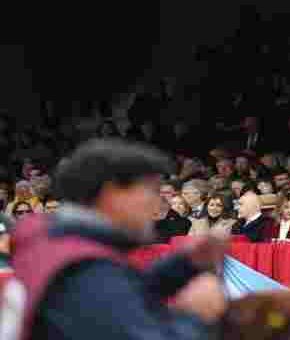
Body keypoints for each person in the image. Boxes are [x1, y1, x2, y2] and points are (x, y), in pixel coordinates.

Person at [8, 138, 227, 340]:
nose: (158, 204)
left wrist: (184, 265)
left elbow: (116, 298)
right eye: (151, 191)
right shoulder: (86, 271)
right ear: (112, 193)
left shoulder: (51, 236)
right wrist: (196, 317)